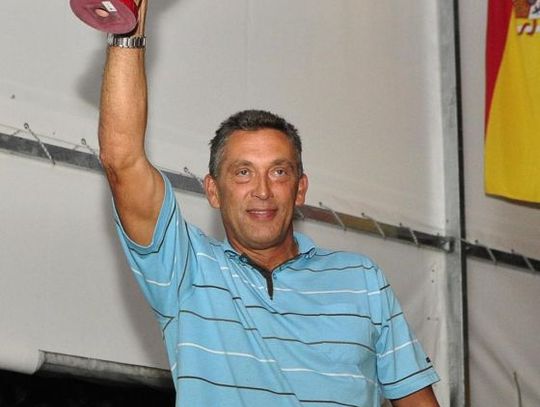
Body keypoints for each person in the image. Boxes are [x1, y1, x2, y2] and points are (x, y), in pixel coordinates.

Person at [98, 1, 440, 406]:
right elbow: (122, 160)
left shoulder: (361, 279)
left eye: (279, 172)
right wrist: (126, 27)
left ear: (300, 189)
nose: (262, 190)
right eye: (243, 172)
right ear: (213, 191)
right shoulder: (186, 270)